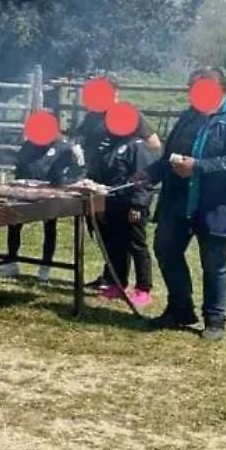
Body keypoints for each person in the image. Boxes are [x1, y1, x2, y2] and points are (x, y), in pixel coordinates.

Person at [140, 68, 226, 342]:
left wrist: (198, 167)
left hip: (216, 203)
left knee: (214, 262)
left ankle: (215, 319)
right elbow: (170, 156)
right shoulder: (188, 117)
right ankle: (180, 308)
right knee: (166, 249)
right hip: (179, 200)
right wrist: (150, 172)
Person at [74, 77, 161, 290]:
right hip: (97, 183)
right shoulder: (92, 117)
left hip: (123, 185)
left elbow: (154, 144)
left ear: (115, 94)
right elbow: (79, 138)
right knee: (106, 234)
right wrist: (76, 149)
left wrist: (132, 159)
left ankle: (138, 285)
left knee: (129, 237)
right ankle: (112, 276)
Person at [0, 133, 83, 283]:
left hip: (49, 192)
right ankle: (11, 262)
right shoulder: (28, 146)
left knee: (50, 229)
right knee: (14, 225)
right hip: (24, 190)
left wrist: (78, 161)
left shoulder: (63, 148)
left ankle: (45, 269)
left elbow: (74, 172)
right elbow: (20, 167)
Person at [91, 121, 156, 307]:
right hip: (114, 202)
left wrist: (138, 205)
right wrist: (102, 203)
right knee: (116, 245)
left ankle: (144, 288)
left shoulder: (139, 147)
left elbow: (145, 180)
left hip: (131, 204)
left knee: (137, 245)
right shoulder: (113, 146)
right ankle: (117, 283)